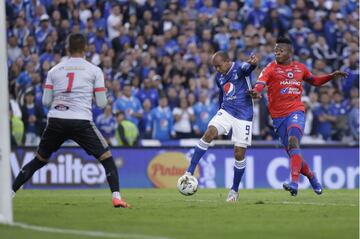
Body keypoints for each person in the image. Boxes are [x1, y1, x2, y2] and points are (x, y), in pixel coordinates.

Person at [11, 33, 130, 208]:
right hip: (80, 120)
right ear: (86, 49)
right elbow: (102, 103)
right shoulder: (94, 70)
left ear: (67, 49)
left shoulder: (54, 70)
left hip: (56, 120)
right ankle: (116, 197)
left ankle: (9, 193)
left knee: (39, 160)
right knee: (107, 158)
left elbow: (45, 101)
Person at [249, 37, 348, 196]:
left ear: (289, 52)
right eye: (275, 51)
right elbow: (260, 83)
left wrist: (331, 76)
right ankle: (311, 176)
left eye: (280, 51)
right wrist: (256, 91)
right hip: (278, 117)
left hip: (296, 111)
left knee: (293, 141)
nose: (277, 53)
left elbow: (314, 81)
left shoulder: (300, 68)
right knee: (294, 153)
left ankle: (294, 183)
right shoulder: (270, 68)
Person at [181, 51, 259, 202]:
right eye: (214, 67)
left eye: (218, 66)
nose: (217, 69)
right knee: (209, 133)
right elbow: (222, 95)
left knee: (239, 153)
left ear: (227, 61)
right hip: (226, 111)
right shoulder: (219, 77)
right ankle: (189, 172)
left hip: (244, 115)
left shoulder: (239, 68)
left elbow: (249, 68)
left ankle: (234, 190)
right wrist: (219, 112)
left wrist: (254, 63)